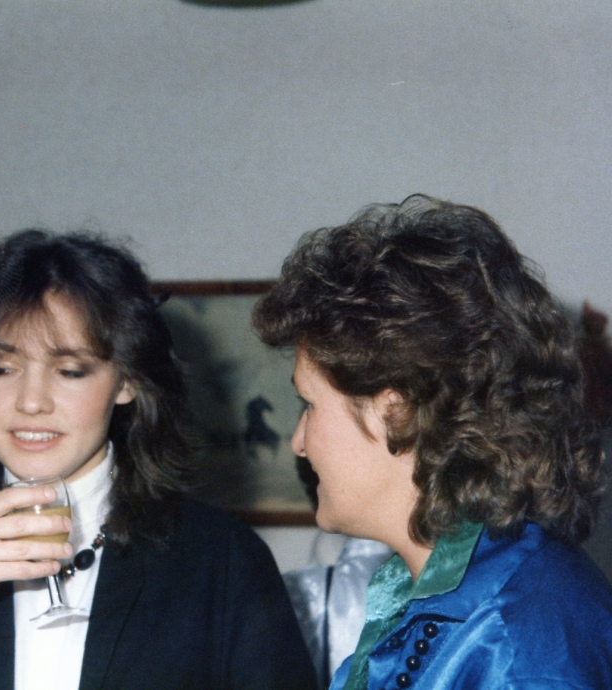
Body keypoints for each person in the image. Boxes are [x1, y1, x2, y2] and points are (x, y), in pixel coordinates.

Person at [0, 229, 315, 690]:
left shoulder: (221, 558)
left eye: (69, 371)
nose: (31, 402)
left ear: (126, 381)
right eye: (2, 367)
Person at [253, 195, 612, 689]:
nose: (298, 442)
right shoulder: (447, 597)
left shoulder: (513, 644)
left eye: (309, 404)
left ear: (395, 411)